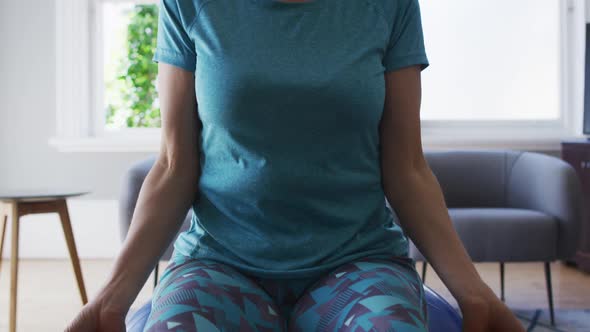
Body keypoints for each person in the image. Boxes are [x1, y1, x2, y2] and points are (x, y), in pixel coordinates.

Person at [66, 0, 525, 331]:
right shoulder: (189, 4)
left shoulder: (390, 6)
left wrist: (475, 294)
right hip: (222, 263)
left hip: (357, 261)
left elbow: (406, 167)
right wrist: (110, 301)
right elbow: (172, 165)